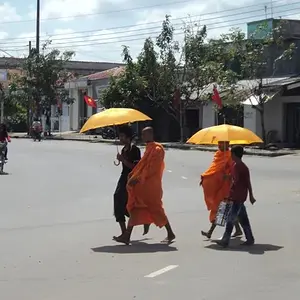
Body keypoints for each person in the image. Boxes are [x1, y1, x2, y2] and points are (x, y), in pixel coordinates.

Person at [114, 127, 176, 245]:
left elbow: (151, 169)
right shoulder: (148, 148)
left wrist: (137, 178)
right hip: (142, 185)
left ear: (150, 135)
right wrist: (134, 177)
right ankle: (127, 235)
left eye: (144, 135)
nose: (142, 137)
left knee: (157, 210)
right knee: (136, 208)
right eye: (142, 135)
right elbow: (142, 167)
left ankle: (170, 233)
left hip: (151, 186)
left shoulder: (157, 149)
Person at [112, 125, 150, 239]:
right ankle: (125, 232)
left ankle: (141, 221)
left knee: (130, 205)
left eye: (122, 136)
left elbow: (136, 167)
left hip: (133, 179)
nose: (120, 139)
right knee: (118, 201)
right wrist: (120, 160)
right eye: (120, 136)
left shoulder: (135, 150)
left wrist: (123, 160)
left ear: (128, 137)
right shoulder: (124, 149)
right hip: (124, 178)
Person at [200, 141, 242, 239]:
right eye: (218, 143)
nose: (219, 145)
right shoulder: (218, 155)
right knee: (228, 210)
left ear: (227, 144)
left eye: (222, 143)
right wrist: (206, 178)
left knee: (222, 209)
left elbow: (234, 170)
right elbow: (213, 170)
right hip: (219, 186)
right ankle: (238, 229)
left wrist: (228, 176)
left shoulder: (230, 156)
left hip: (226, 187)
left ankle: (212, 233)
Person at [216, 145, 256, 248]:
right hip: (240, 196)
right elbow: (247, 182)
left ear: (234, 154)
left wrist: (229, 179)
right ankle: (250, 238)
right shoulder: (239, 166)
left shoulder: (238, 166)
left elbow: (238, 181)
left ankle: (225, 240)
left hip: (237, 196)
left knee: (231, 219)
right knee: (243, 219)